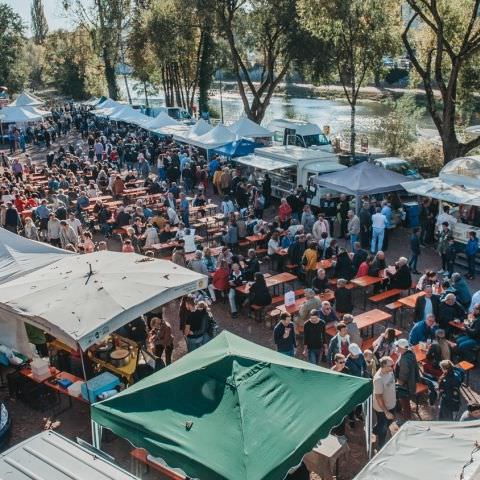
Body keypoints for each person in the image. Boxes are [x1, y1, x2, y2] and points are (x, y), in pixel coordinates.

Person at [372, 356, 396, 449]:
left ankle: (374, 430)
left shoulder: (390, 371)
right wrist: (386, 412)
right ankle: (381, 447)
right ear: (383, 366)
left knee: (389, 421)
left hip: (392, 404)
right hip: (382, 409)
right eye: (391, 365)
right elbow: (378, 397)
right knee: (383, 429)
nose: (393, 367)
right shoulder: (378, 379)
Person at [394, 338, 420, 420]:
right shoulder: (410, 353)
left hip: (405, 386)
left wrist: (398, 385)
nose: (396, 347)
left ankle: (407, 420)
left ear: (401, 348)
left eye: (397, 346)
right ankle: (398, 409)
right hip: (411, 383)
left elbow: (403, 375)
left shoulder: (404, 360)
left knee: (405, 403)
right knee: (403, 401)